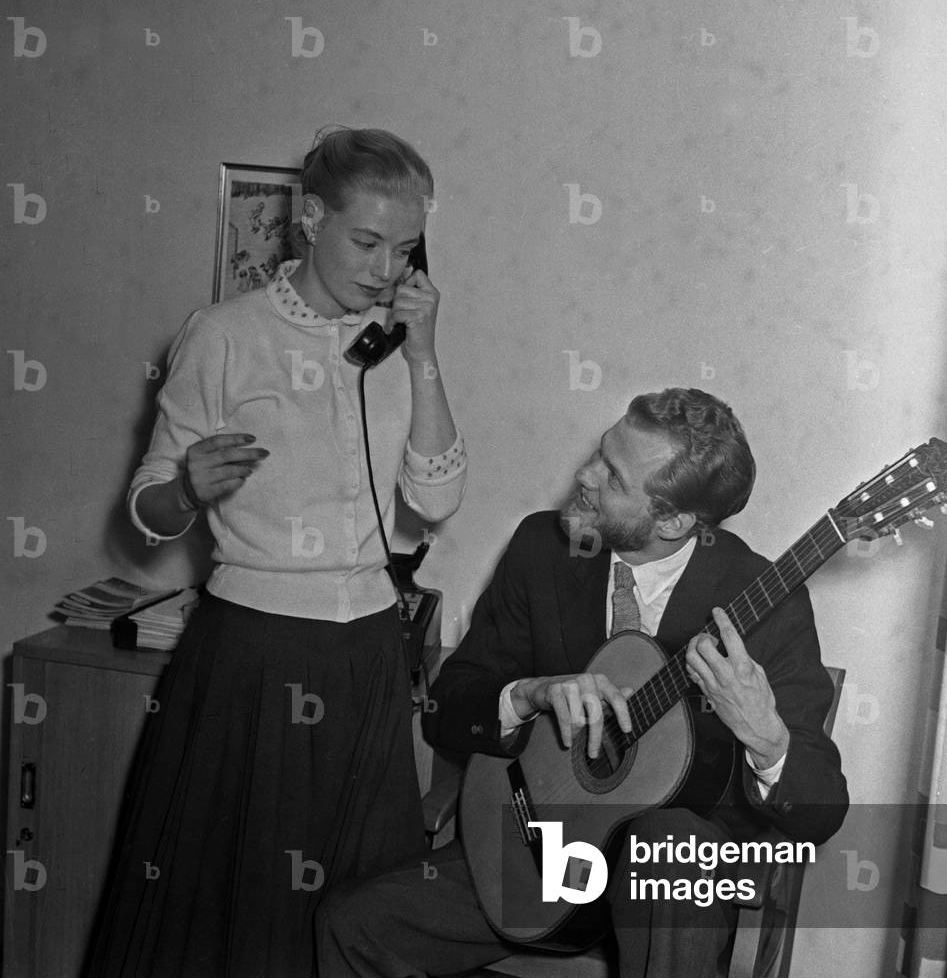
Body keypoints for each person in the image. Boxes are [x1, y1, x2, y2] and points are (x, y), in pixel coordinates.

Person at [87, 128, 467, 978]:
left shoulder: (401, 349)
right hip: (254, 655)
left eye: (403, 249)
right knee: (235, 906)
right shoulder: (223, 336)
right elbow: (146, 510)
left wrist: (429, 355)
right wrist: (186, 487)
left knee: (362, 907)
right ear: (308, 219)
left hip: (367, 650)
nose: (382, 269)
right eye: (365, 241)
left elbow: (435, 501)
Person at [315, 388, 848, 978]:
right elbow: (447, 706)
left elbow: (821, 812)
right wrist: (527, 695)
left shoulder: (765, 601)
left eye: (613, 477)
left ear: (671, 519)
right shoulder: (543, 548)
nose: (584, 475)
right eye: (600, 454)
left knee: (669, 846)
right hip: (527, 854)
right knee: (353, 922)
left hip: (662, 901)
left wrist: (768, 743)